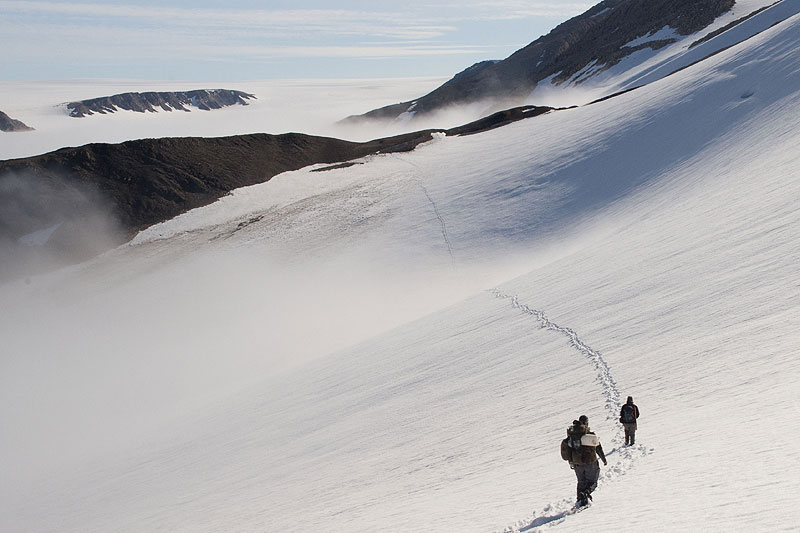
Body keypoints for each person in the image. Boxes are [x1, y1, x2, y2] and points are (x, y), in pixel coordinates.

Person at [561, 415, 607, 507]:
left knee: (581, 481)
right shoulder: (590, 435)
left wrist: (571, 461)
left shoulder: (572, 436)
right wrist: (604, 459)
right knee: (592, 481)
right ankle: (586, 494)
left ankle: (579, 500)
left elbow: (568, 450)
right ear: (586, 423)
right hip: (590, 462)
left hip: (577, 463)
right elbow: (598, 448)